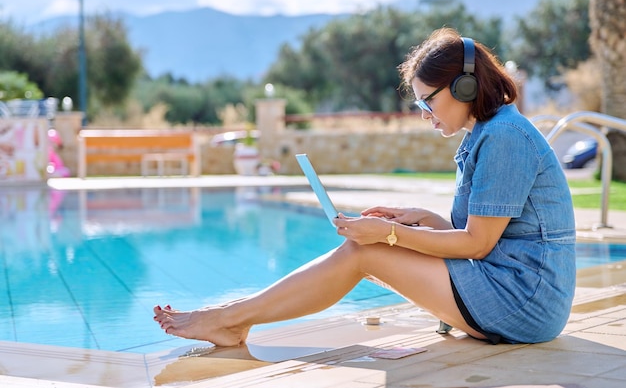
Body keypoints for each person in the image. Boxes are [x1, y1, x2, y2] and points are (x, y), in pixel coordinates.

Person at [154, 27, 576, 346]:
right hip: (510, 287)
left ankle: (231, 319)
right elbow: (488, 235)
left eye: (428, 100)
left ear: (465, 86)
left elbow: (478, 245)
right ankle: (233, 316)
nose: (425, 113)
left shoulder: (504, 137)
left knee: (365, 251)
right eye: (419, 104)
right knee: (370, 247)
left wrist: (392, 234)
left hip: (524, 302)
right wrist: (419, 220)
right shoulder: (486, 134)